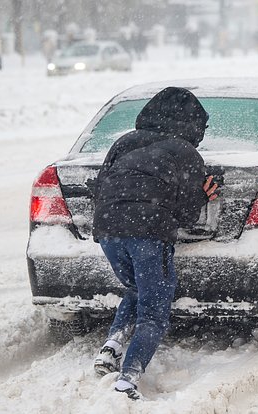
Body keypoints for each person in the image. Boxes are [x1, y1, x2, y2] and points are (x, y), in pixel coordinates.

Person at [91, 87, 219, 400]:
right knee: (154, 312)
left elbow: (102, 185)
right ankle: (127, 381)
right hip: (147, 234)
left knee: (135, 288)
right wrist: (205, 193)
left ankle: (111, 348)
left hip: (107, 230)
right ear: (193, 125)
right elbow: (188, 215)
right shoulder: (187, 153)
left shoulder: (123, 142)